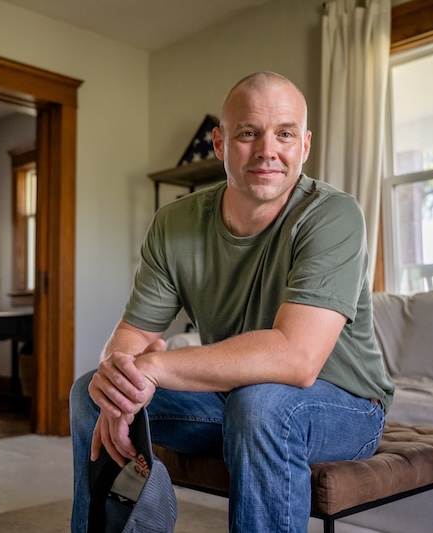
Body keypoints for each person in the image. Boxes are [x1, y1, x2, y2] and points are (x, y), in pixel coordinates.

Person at [70, 71, 395, 532]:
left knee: (260, 405)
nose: (267, 150)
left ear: (304, 146)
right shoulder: (174, 224)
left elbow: (297, 358)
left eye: (285, 134)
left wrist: (156, 367)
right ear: (220, 144)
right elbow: (135, 334)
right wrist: (121, 381)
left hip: (346, 405)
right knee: (93, 392)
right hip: (232, 396)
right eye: (248, 133)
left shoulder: (332, 214)